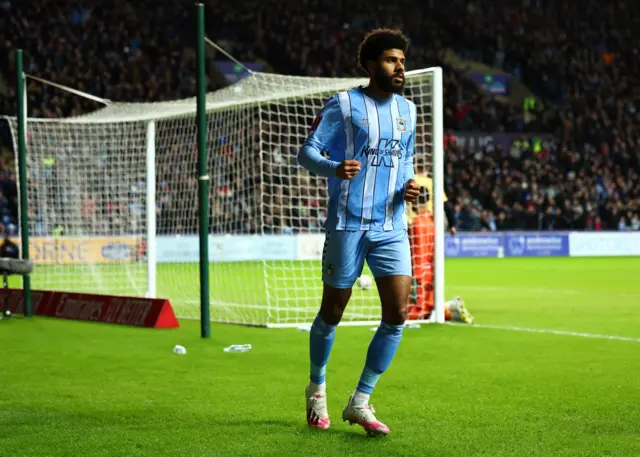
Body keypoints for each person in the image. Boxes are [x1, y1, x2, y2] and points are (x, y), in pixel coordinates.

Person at [297, 28, 420, 436]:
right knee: (332, 312)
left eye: (401, 60)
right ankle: (317, 389)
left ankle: (360, 401)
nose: (399, 66)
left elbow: (405, 162)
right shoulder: (344, 105)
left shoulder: (409, 110)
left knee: (397, 315)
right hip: (347, 223)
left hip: (391, 227)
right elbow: (307, 152)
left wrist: (409, 187)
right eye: (390, 59)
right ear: (369, 64)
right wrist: (333, 168)